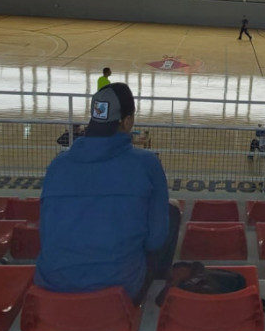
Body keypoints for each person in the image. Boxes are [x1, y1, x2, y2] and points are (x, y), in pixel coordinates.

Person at [36, 83, 179, 304]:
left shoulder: (57, 165)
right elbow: (155, 240)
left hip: (53, 285)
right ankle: (151, 289)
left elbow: (45, 232)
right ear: (128, 121)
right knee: (172, 210)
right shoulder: (146, 163)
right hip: (119, 291)